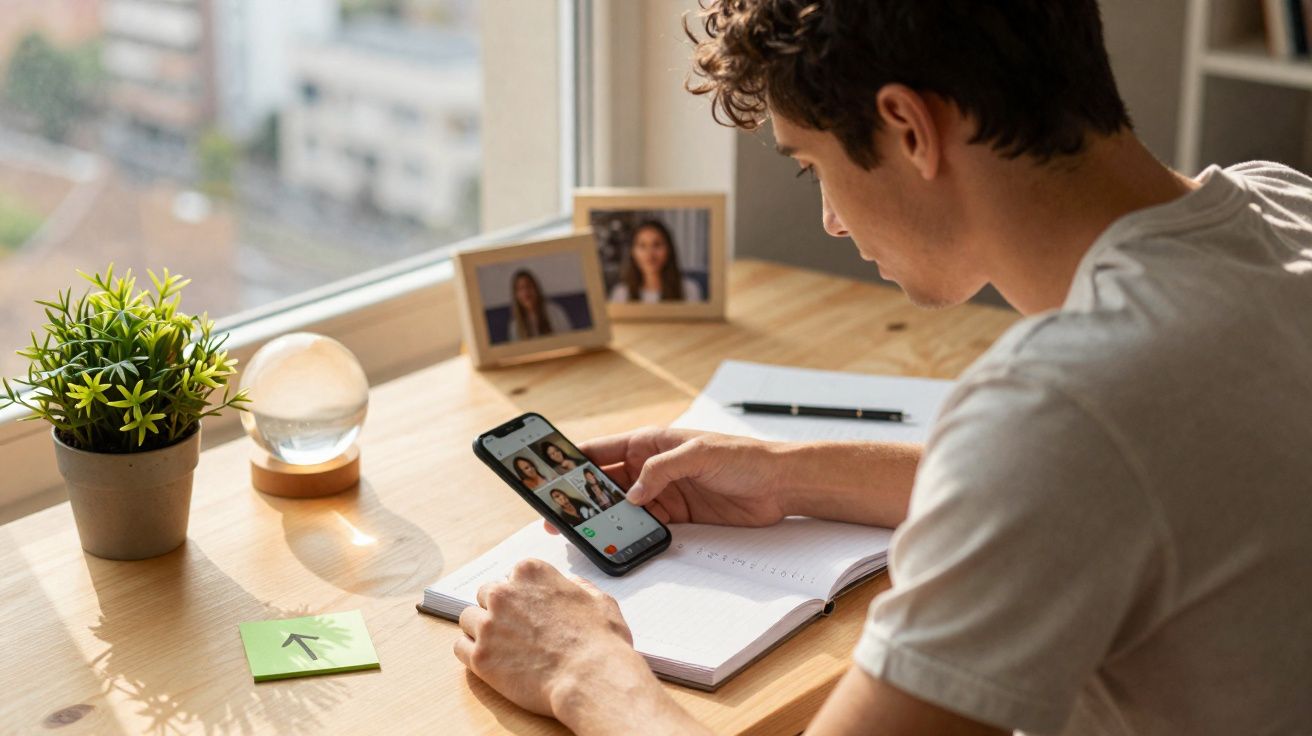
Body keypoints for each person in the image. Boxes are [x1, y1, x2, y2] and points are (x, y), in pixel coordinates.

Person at [453, 3, 1312, 735]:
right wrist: (788, 474)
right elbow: (1132, 475)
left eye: (810, 164)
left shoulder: (1064, 409)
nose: (828, 219)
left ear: (908, 127)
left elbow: (1072, 452)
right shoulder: (1282, 206)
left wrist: (583, 671)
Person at [608, 219, 705, 303]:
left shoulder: (689, 290)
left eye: (657, 245)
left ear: (669, 249)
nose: (650, 253)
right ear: (633, 252)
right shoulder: (621, 293)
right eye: (642, 246)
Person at [507, 268, 572, 341]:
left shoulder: (555, 312)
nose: (525, 292)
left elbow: (568, 339)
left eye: (528, 286)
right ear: (516, 295)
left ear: (536, 288)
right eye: (520, 288)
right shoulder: (515, 326)